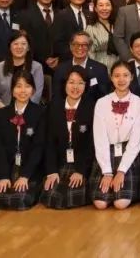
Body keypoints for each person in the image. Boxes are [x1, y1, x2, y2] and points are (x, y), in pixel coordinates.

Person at [91, 60, 140, 210]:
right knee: (100, 204)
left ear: (132, 77)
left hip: (129, 156)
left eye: (125, 75)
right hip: (105, 155)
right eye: (117, 76)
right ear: (111, 78)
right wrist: (107, 172)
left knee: (120, 203)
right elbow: (100, 139)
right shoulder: (101, 103)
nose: (121, 79)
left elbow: (136, 141)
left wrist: (121, 171)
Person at [0, 71, 46, 210]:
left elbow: (38, 147)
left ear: (33, 90)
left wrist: (25, 176)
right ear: (12, 90)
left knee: (20, 200)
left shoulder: (40, 113)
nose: (23, 90)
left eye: (27, 86)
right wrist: (3, 176)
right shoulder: (2, 114)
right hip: (8, 168)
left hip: (30, 169)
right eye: (18, 86)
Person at [41, 66, 94, 209]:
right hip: (61, 163)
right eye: (71, 82)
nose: (75, 87)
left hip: (83, 164)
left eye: (80, 83)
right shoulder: (53, 107)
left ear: (86, 86)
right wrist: (52, 171)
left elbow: (91, 145)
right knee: (52, 195)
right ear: (64, 84)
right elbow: (49, 142)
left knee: (70, 195)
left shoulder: (92, 108)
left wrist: (81, 171)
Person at [53, 31, 113, 105]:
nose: (80, 47)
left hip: (92, 109)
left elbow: (104, 97)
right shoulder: (61, 69)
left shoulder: (100, 69)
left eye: (84, 45)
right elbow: (56, 96)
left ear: (89, 47)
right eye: (76, 44)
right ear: (71, 47)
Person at [0, 31, 44, 109]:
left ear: (28, 48)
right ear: (10, 47)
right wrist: (6, 111)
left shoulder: (37, 67)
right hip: (4, 110)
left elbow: (36, 96)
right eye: (15, 44)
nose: (19, 47)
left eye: (23, 44)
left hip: (29, 111)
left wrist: (21, 111)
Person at [86, 0, 119, 69]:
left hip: (118, 67)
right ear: (95, 9)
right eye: (101, 5)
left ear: (112, 8)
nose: (104, 8)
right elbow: (89, 53)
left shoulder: (118, 25)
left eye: (107, 5)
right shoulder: (90, 28)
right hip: (100, 67)